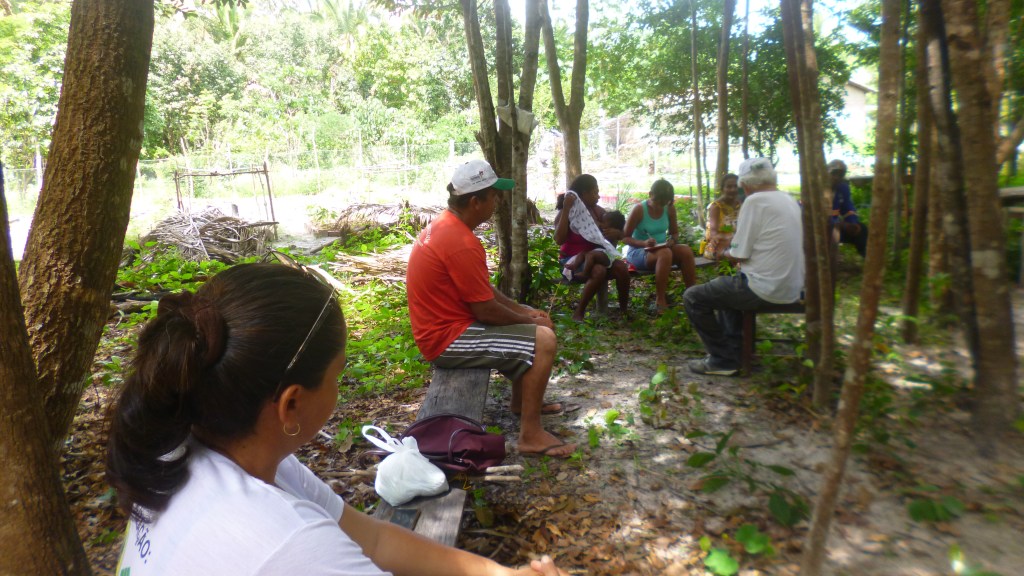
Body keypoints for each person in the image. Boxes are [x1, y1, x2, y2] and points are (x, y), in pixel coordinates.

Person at [105, 260, 568, 575]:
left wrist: (498, 572)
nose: (339, 388)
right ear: (290, 404)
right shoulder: (291, 546)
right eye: (337, 374)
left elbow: (375, 540)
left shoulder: (188, 450)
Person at [407, 159, 578, 458]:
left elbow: (481, 290)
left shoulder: (447, 226)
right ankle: (531, 435)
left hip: (449, 328)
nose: (497, 201)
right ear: (476, 202)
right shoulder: (460, 241)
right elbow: (485, 311)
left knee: (529, 316)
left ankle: (521, 403)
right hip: (446, 340)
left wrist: (523, 311)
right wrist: (531, 323)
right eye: (493, 195)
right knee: (543, 339)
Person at [682, 158, 804, 376]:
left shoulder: (754, 202)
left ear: (745, 184)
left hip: (765, 288)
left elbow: (739, 254)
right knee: (726, 289)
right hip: (792, 287)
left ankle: (722, 359)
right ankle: (735, 353)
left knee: (693, 297)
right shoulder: (789, 200)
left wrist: (721, 253)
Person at [553, 174, 631, 321]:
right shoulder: (567, 212)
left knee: (621, 267)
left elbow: (622, 232)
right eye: (595, 192)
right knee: (598, 270)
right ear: (584, 194)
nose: (598, 196)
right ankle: (579, 312)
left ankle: (623, 311)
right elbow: (558, 240)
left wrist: (617, 233)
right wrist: (566, 208)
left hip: (597, 256)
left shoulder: (598, 212)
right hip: (571, 261)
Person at [622, 179, 698, 313]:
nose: (660, 206)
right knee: (665, 253)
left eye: (664, 203)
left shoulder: (669, 208)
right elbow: (625, 238)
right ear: (650, 194)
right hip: (638, 252)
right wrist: (643, 243)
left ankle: (693, 296)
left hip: (662, 249)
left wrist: (672, 241)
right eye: (657, 202)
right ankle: (660, 299)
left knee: (685, 250)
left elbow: (674, 233)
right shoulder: (639, 210)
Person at [827, 159, 868, 257]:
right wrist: (839, 224)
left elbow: (848, 208)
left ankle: (869, 261)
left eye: (840, 175)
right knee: (833, 234)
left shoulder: (842, 188)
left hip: (836, 226)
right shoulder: (817, 189)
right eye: (834, 174)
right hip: (819, 228)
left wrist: (852, 223)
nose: (836, 177)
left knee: (862, 230)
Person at [701, 173, 742, 259]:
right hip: (718, 245)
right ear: (722, 189)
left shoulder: (741, 205)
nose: (733, 189)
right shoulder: (716, 207)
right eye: (729, 187)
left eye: (735, 186)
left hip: (737, 242)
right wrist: (731, 236)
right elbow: (713, 234)